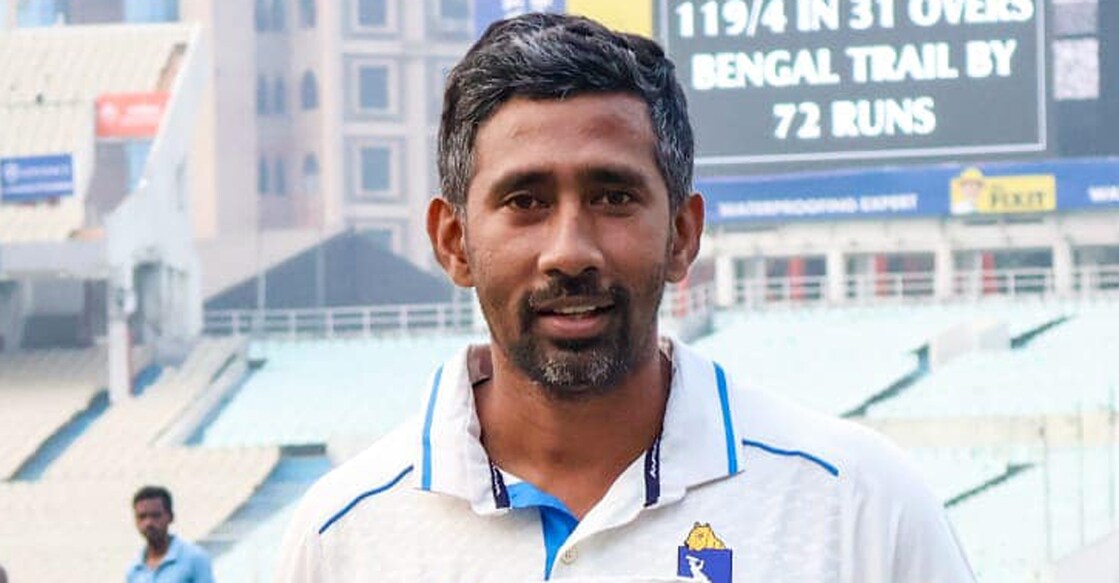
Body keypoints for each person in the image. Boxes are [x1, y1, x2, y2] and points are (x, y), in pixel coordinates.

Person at [276, 12, 975, 582]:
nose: (569, 250)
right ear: (454, 241)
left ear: (680, 232)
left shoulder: (857, 505)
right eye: (525, 200)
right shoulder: (343, 537)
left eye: (612, 196)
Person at [127, 485, 215, 583]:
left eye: (156, 515)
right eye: (142, 517)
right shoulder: (135, 570)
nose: (149, 523)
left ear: (170, 517)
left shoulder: (195, 559)